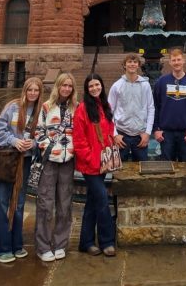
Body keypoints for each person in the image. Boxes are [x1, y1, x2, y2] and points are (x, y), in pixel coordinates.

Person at [0, 77, 44, 263]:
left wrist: (33, 143)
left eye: (36, 90)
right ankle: (0, 248)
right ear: (25, 90)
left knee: (19, 203)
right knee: (3, 202)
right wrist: (15, 141)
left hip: (25, 161)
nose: (33, 93)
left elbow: (43, 136)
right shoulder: (12, 107)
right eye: (30, 90)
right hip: (7, 160)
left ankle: (16, 245)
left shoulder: (40, 111)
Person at [34, 73, 78, 262]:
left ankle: (60, 243)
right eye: (64, 85)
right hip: (50, 160)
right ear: (58, 86)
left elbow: (81, 132)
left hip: (68, 161)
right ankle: (43, 245)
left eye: (70, 86)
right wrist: (50, 150)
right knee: (45, 203)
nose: (67, 89)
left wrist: (72, 151)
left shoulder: (76, 108)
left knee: (65, 204)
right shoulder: (46, 107)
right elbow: (38, 131)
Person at [73, 73, 117, 257]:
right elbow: (79, 139)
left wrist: (109, 150)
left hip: (102, 163)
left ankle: (86, 242)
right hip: (90, 164)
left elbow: (109, 130)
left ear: (102, 86)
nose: (94, 88)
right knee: (102, 201)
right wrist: (92, 158)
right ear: (86, 89)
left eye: (97, 85)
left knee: (92, 202)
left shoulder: (104, 105)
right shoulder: (82, 109)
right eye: (91, 86)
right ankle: (107, 241)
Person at [153, 48, 186, 162]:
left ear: (183, 61)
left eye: (179, 59)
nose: (176, 62)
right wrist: (156, 129)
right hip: (166, 133)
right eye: (173, 60)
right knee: (167, 168)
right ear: (170, 62)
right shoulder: (161, 81)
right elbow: (155, 106)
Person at [108, 54, 155, 162]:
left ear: (138, 65)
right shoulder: (116, 86)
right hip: (122, 135)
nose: (132, 64)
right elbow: (109, 111)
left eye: (135, 62)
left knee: (142, 169)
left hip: (140, 135)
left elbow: (151, 108)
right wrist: (115, 134)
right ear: (124, 65)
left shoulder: (145, 85)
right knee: (120, 170)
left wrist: (147, 133)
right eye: (129, 62)